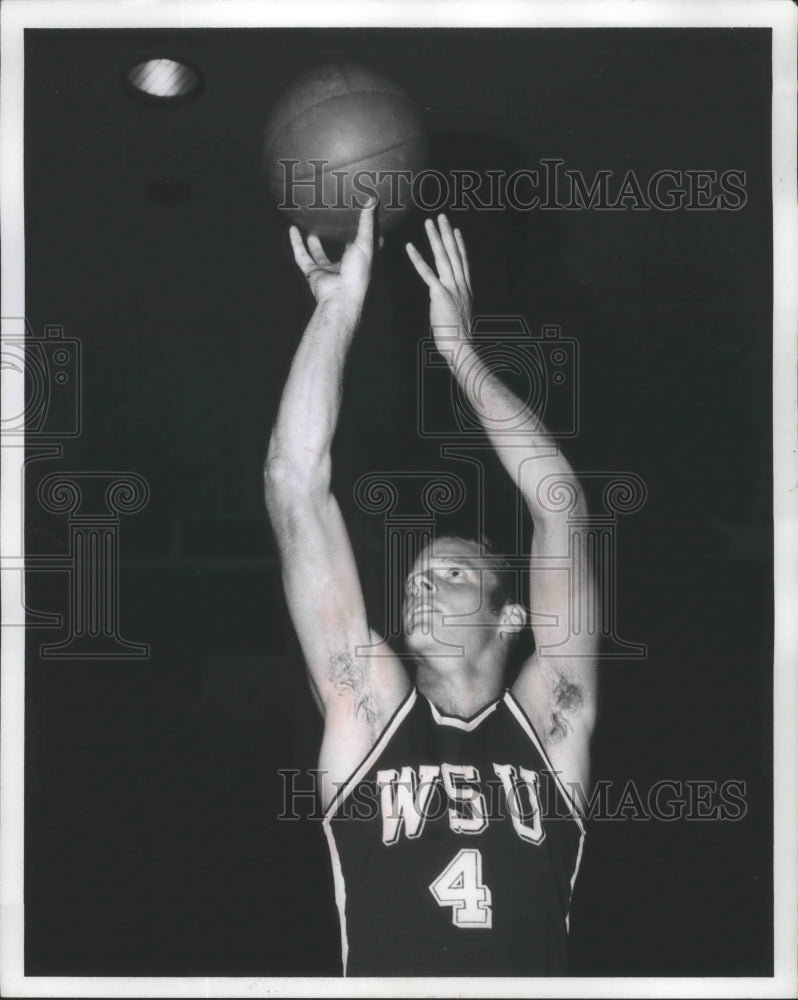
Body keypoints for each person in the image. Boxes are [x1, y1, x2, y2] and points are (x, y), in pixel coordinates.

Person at [264, 202, 598, 976]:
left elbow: (562, 508)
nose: (420, 586)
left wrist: (460, 351)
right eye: (415, 576)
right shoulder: (369, 703)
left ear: (510, 613)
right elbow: (294, 486)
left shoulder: (551, 719)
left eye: (450, 574)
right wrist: (337, 314)